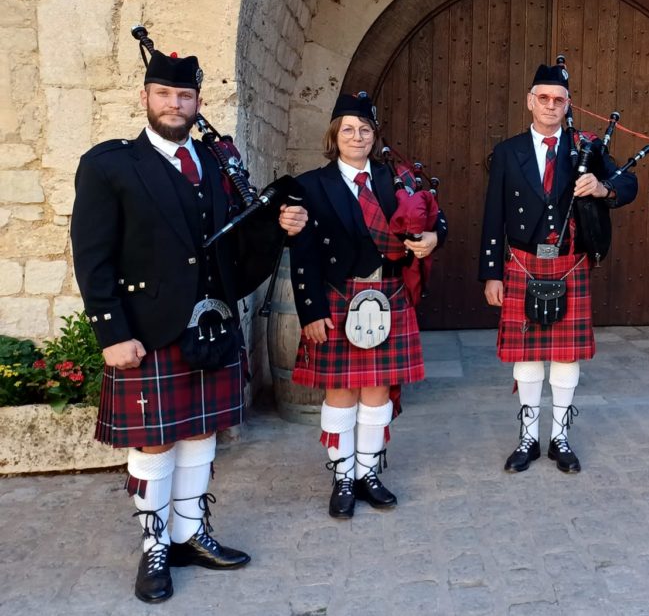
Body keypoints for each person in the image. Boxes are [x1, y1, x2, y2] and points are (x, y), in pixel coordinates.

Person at [71, 46, 307, 603]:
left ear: (198, 103)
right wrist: (111, 333)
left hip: (212, 322)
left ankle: (189, 533)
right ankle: (154, 546)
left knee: (202, 433)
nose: (174, 105)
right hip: (148, 329)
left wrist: (279, 229)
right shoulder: (110, 165)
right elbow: (93, 256)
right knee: (156, 444)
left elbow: (236, 251)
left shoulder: (214, 165)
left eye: (185, 96)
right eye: (164, 94)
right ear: (146, 97)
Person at [289, 91, 446, 519]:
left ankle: (368, 472)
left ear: (374, 136)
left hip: (388, 293)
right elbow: (301, 254)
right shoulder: (311, 185)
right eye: (348, 129)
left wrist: (435, 238)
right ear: (334, 135)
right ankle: (342, 477)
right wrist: (311, 310)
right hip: (339, 295)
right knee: (340, 391)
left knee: (376, 391)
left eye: (364, 130)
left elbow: (433, 217)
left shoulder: (392, 178)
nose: (356, 136)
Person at [479, 62, 637, 474]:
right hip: (521, 262)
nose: (551, 106)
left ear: (569, 105)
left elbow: (629, 183)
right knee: (528, 357)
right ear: (530, 102)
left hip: (568, 262)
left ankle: (560, 438)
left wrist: (604, 189)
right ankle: (529, 437)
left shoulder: (585, 146)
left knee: (566, 357)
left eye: (559, 100)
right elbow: (493, 213)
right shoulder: (508, 151)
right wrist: (491, 272)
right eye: (543, 98)